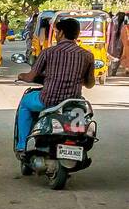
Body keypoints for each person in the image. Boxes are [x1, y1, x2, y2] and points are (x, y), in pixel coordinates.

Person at [14, 17, 95, 154]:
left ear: (62, 33)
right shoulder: (87, 55)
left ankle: (22, 145)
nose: (56, 34)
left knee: (25, 104)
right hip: (73, 103)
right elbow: (90, 84)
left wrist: (21, 76)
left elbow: (31, 77)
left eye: (57, 32)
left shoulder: (48, 52)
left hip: (47, 100)